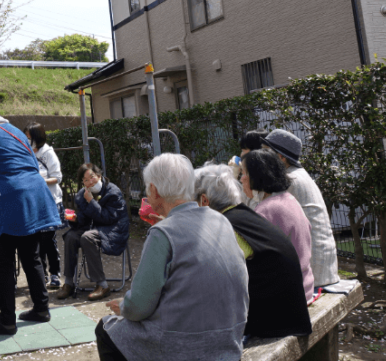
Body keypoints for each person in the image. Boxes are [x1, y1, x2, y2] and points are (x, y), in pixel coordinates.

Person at [97, 153, 248, 361]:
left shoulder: (162, 233)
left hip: (185, 348)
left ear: (154, 190)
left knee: (106, 330)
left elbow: (138, 307)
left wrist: (123, 306)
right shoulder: (219, 220)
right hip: (229, 342)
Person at [0, 98, 60, 335]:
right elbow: (30, 162)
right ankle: (41, 308)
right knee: (32, 257)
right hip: (35, 193)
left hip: (10, 197)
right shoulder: (17, 132)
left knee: (3, 262)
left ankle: (7, 320)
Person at [194, 164, 312, 339]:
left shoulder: (224, 227)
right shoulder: (245, 216)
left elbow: (213, 283)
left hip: (273, 326)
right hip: (291, 317)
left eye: (191, 202)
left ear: (204, 201)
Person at [262, 129, 340, 288]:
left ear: (281, 158)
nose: (261, 157)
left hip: (313, 270)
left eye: (266, 152)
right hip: (322, 265)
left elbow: (263, 216)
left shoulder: (289, 179)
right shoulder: (298, 174)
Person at [241, 149, 315, 303]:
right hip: (305, 287)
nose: (241, 179)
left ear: (256, 176)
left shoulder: (265, 211)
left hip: (286, 296)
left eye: (244, 173)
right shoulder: (288, 199)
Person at [56, 164, 129, 302]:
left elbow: (108, 218)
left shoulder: (113, 192)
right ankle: (69, 282)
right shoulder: (82, 195)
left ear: (99, 176)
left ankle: (102, 285)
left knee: (87, 237)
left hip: (113, 228)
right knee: (71, 236)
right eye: (86, 180)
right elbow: (84, 219)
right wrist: (75, 218)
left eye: (92, 177)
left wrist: (91, 201)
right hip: (93, 227)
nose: (90, 182)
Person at [24, 122, 65, 289]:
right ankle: (42, 275)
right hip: (33, 203)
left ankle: (55, 274)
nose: (27, 140)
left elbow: (58, 177)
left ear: (36, 137)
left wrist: (40, 180)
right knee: (35, 242)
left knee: (48, 240)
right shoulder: (25, 153)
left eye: (29, 137)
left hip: (49, 202)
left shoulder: (48, 153)